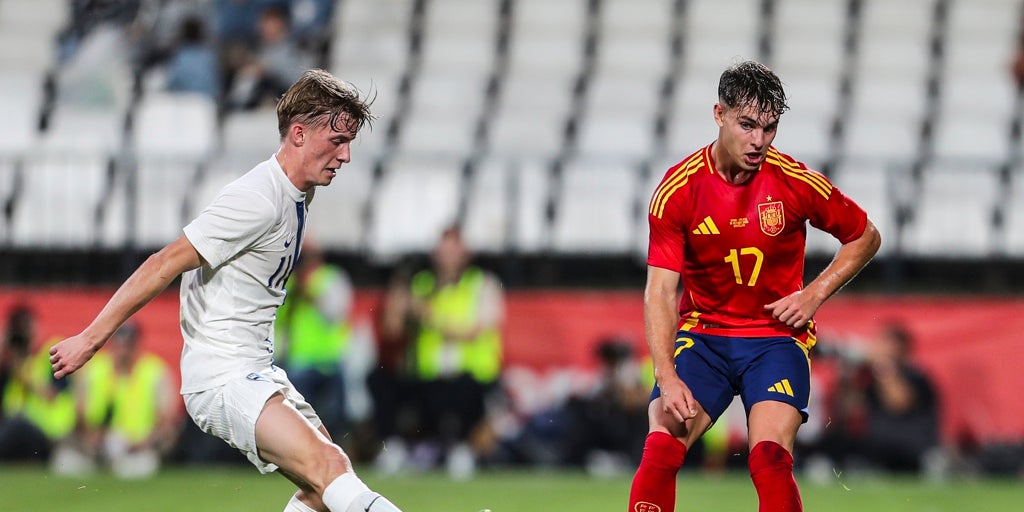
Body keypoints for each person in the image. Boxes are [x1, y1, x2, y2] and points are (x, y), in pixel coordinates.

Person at [49, 69, 404, 512]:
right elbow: (163, 263)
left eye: (349, 142)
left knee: (324, 490)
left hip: (254, 368)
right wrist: (90, 338)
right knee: (329, 467)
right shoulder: (257, 198)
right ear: (298, 134)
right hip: (224, 374)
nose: (346, 155)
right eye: (336, 140)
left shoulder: (297, 194)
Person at [629, 60, 881, 512]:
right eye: (747, 125)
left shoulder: (794, 181)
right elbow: (661, 292)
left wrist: (814, 294)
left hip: (774, 341)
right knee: (663, 440)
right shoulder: (678, 190)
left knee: (768, 458)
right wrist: (666, 376)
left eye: (769, 128)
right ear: (718, 114)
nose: (759, 141)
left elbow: (865, 236)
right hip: (704, 336)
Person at [404, 225, 505, 476]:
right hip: (429, 374)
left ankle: (462, 449)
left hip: (473, 374)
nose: (446, 258)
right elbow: (397, 326)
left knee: (461, 394)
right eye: (443, 251)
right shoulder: (422, 284)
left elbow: (472, 331)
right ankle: (418, 449)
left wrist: (428, 315)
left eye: (453, 251)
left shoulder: (482, 284)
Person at [56, 322, 180, 478]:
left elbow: (167, 420)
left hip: (137, 448)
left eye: (128, 346)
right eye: (119, 345)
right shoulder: (95, 370)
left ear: (137, 346)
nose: (123, 352)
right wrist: (90, 437)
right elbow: (79, 413)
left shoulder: (155, 372)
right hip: (96, 446)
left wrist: (144, 442)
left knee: (139, 468)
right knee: (67, 464)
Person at [275, 239, 355, 438]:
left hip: (330, 360)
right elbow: (278, 321)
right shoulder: (289, 284)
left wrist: (309, 294)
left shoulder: (332, 278)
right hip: (299, 362)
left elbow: (335, 313)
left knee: (333, 419)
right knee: (299, 417)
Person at [0, 305, 76, 464]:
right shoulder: (12, 361)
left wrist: (24, 376)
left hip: (48, 431)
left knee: (16, 426)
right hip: (16, 430)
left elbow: (52, 396)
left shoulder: (51, 354)